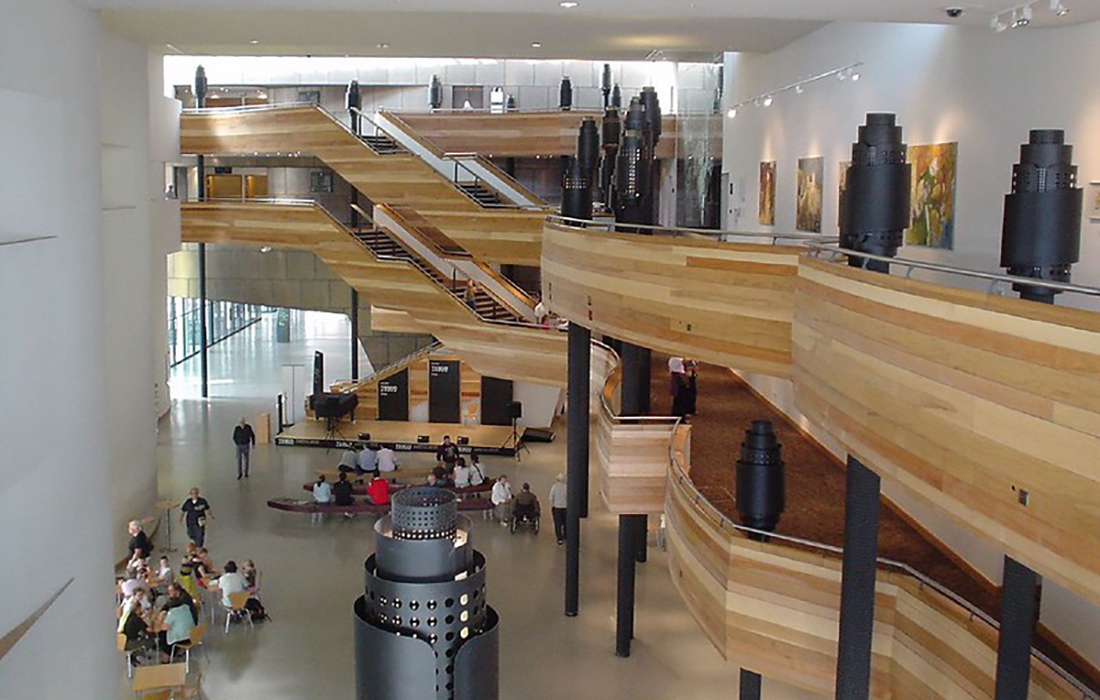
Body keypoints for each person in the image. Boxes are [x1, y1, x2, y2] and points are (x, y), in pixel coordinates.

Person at [549, 473, 568, 545]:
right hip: (565, 507)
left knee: (558, 524)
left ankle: (559, 538)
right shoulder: (566, 487)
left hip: (557, 507)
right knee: (565, 523)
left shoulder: (554, 487)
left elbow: (551, 498)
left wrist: (552, 505)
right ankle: (566, 535)